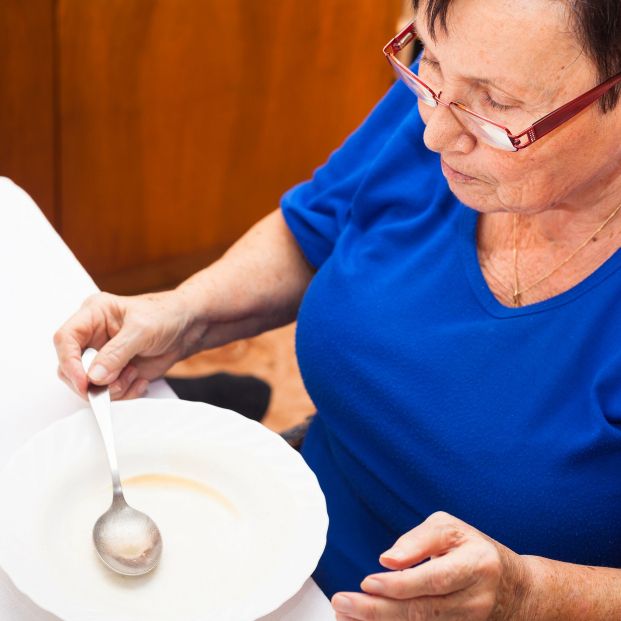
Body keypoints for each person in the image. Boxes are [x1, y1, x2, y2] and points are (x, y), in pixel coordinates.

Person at [55, 0, 621, 618]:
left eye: (498, 103)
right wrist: (188, 311)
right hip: (278, 536)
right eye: (427, 53)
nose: (432, 132)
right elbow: (317, 226)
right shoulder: (446, 102)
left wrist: (529, 595)